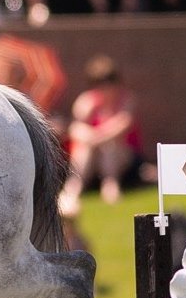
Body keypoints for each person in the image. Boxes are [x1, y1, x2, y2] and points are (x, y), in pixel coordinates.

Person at [61, 56, 142, 207]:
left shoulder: (126, 100)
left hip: (122, 157)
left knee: (108, 147)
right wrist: (91, 137)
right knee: (85, 148)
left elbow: (123, 124)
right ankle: (75, 186)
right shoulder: (86, 102)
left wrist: (96, 137)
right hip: (91, 155)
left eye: (109, 84)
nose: (106, 90)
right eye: (101, 85)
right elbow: (74, 129)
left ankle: (110, 184)